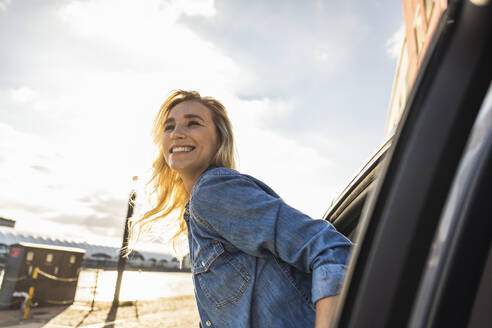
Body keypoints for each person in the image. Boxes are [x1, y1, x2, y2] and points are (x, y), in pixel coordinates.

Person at [131, 90, 352, 328]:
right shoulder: (200, 209)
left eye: (193, 123)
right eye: (169, 127)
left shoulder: (212, 191)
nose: (177, 134)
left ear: (219, 140)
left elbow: (329, 247)